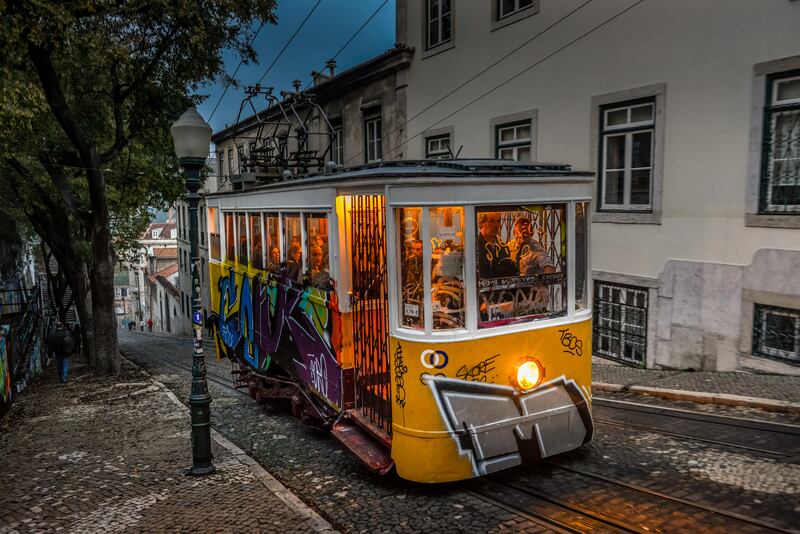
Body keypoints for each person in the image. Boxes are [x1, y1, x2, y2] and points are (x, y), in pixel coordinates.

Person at [476, 212, 516, 280]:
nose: (496, 225)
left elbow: (511, 272)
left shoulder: (503, 247)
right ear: (481, 224)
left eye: (498, 221)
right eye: (491, 221)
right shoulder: (475, 247)